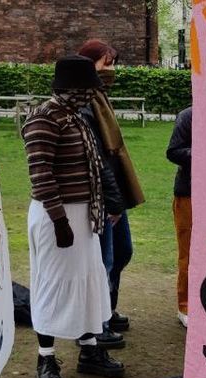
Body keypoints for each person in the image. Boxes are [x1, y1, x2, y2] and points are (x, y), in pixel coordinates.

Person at [22, 55, 125, 378]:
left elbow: (95, 166)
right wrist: (60, 221)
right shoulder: (44, 119)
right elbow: (41, 175)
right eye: (86, 89)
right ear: (71, 88)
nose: (90, 95)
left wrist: (107, 203)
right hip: (59, 217)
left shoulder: (76, 118)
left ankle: (90, 349)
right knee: (52, 285)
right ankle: (46, 360)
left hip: (84, 217)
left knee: (87, 282)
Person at [77, 39, 145, 336]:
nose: (112, 69)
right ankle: (96, 325)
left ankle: (108, 308)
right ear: (89, 65)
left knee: (121, 252)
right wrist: (111, 200)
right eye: (107, 63)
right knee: (102, 261)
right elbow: (95, 158)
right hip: (102, 196)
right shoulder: (83, 104)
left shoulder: (99, 99)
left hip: (114, 192)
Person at [167, 106, 192, 327]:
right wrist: (204, 152)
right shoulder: (188, 116)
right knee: (188, 251)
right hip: (189, 193)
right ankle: (185, 305)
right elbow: (173, 151)